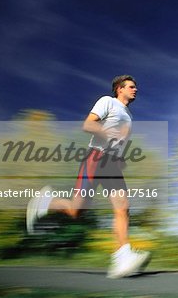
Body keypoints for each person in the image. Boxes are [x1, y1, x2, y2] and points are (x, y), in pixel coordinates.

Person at [26, 75, 151, 278]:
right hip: (96, 158)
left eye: (135, 87)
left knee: (123, 207)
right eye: (131, 86)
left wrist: (120, 157)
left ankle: (122, 257)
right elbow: (88, 125)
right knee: (76, 211)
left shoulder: (128, 116)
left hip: (112, 163)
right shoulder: (107, 101)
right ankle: (45, 202)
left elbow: (119, 142)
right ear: (120, 89)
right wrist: (110, 136)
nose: (135, 90)